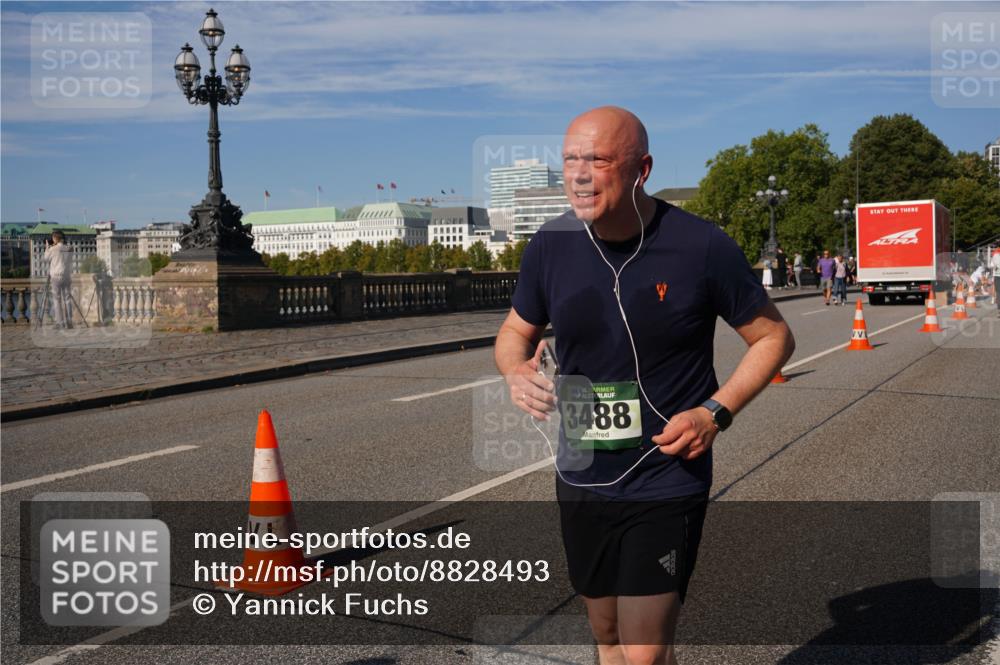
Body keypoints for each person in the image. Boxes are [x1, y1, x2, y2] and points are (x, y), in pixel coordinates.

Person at [493, 107, 795, 665]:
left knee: (643, 650)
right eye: (570, 160)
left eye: (599, 160)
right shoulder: (550, 246)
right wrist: (515, 370)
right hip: (582, 471)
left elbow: (774, 338)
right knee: (607, 636)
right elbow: (514, 331)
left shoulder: (700, 247)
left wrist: (715, 412)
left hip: (665, 474)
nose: (580, 174)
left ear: (642, 169)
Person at [43, 230, 74, 328]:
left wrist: (47, 248)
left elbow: (46, 259)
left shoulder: (53, 249)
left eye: (53, 238)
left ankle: (60, 323)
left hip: (56, 277)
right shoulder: (69, 248)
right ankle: (69, 322)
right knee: (67, 299)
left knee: (57, 300)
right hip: (67, 276)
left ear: (55, 238)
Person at [990, 249, 1000, 313]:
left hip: (996, 275)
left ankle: (998, 306)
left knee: (998, 291)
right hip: (996, 275)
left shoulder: (995, 256)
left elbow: (992, 266)